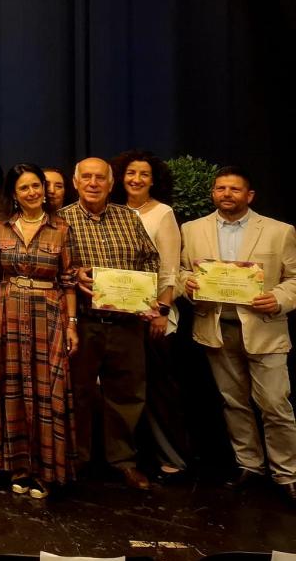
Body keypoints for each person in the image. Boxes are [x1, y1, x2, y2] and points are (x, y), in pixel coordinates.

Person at [177, 166, 296, 504]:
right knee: (234, 402)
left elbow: (294, 278)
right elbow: (184, 270)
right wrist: (188, 284)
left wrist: (281, 299)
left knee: (274, 404)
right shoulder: (193, 229)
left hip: (264, 329)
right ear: (212, 193)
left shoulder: (279, 230)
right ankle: (249, 465)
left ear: (249, 195)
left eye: (234, 189)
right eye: (220, 188)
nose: (226, 194)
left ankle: (287, 474)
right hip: (216, 326)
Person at [60, 157, 161, 491]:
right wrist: (76, 274)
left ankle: (123, 461)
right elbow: (55, 268)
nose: (92, 183)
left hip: (127, 323)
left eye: (99, 178)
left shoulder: (128, 219)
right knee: (80, 392)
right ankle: (80, 459)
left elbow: (151, 259)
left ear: (110, 182)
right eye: (86, 177)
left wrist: (146, 293)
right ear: (75, 183)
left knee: (127, 393)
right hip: (84, 322)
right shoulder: (62, 220)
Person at [0, 164, 79, 499]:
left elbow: (68, 280)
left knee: (46, 390)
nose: (32, 193)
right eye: (24, 188)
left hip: (49, 316)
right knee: (12, 389)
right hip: (7, 314)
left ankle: (46, 471)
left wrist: (72, 325)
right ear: (15, 194)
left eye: (36, 186)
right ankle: (17, 468)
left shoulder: (61, 228)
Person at [110, 150, 188, 480]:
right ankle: (127, 458)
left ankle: (172, 458)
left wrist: (162, 311)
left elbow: (170, 268)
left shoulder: (163, 213)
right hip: (119, 316)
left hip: (154, 315)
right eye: (130, 173)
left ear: (153, 179)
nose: (136, 179)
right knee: (123, 391)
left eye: (143, 174)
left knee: (158, 390)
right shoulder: (113, 212)